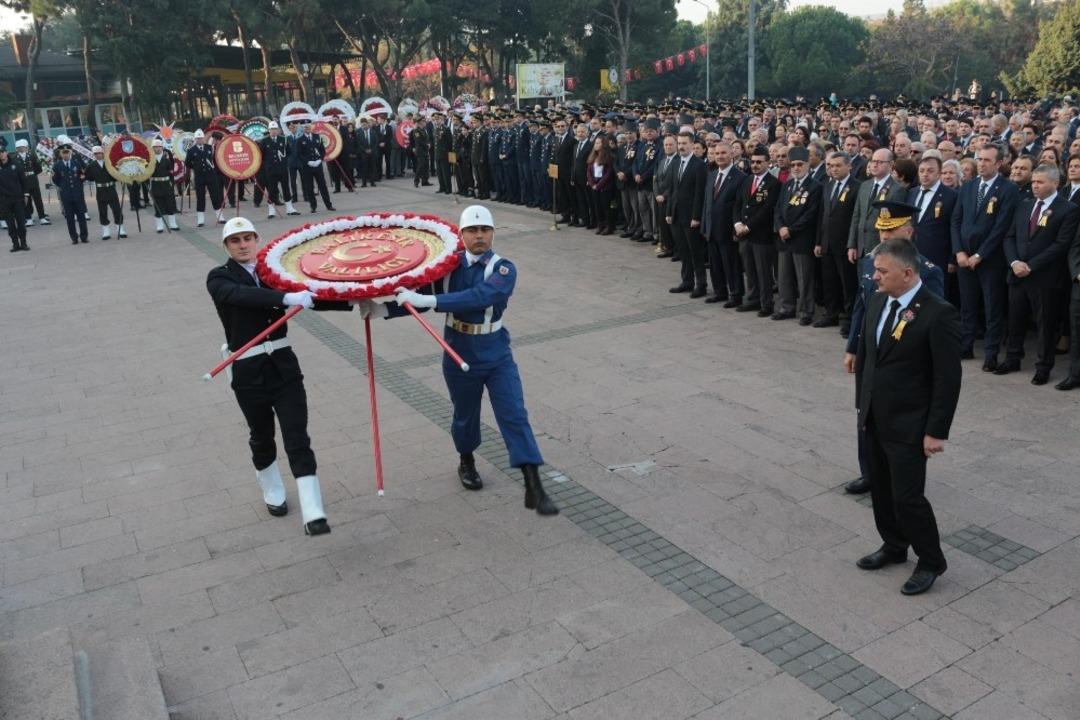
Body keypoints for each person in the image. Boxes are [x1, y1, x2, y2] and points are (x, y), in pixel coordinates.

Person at [391, 205, 558, 516]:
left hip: (495, 352)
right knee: (465, 416)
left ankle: (533, 483)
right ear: (461, 234)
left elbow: (481, 296)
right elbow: (419, 295)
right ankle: (466, 459)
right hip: (458, 351)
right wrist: (385, 309)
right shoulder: (447, 266)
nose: (479, 236)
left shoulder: (503, 268)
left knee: (514, 414)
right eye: (473, 230)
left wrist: (430, 300)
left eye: (485, 230)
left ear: (493, 233)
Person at [206, 217, 348, 535]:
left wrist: (354, 300)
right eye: (235, 241)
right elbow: (241, 296)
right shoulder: (218, 277)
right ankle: (272, 489)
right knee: (262, 436)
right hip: (247, 371)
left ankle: (313, 511)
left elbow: (311, 295)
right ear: (226, 246)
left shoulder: (274, 273)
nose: (243, 245)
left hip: (284, 366)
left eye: (248, 238)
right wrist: (286, 297)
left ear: (257, 239)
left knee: (297, 436)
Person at [851, 235, 961, 596]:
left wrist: (936, 431)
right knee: (881, 491)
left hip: (911, 425)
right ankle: (894, 546)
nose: (875, 277)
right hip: (875, 417)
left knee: (908, 498)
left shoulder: (937, 312)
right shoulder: (879, 302)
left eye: (882, 271)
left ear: (908, 273)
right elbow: (868, 359)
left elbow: (947, 379)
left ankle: (931, 560)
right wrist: (862, 408)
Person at [843, 201, 946, 495]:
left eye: (892, 230)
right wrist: (853, 348)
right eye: (881, 230)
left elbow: (933, 322)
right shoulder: (869, 262)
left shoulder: (927, 271)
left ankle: (899, 473)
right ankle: (870, 471)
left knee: (896, 415)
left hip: (902, 358)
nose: (885, 237)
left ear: (909, 232)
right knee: (866, 410)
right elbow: (861, 309)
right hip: (871, 352)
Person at [997, 163, 1080, 385]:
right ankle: (1013, 358)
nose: (1034, 186)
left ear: (1055, 183)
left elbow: (1061, 245)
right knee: (1014, 319)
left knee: (1045, 324)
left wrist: (1031, 266)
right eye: (1033, 181)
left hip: (1045, 278)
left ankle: (1044, 366)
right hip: (1017, 273)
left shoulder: (1068, 209)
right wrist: (1014, 262)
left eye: (1040, 182)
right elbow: (1010, 237)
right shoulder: (1024, 206)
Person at [951, 144, 1019, 371]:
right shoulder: (968, 187)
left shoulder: (1008, 189)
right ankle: (966, 344)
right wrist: (959, 251)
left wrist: (980, 254)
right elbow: (956, 220)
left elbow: (1001, 227)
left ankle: (991, 353)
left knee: (992, 308)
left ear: (999, 163)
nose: (981, 163)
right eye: (979, 159)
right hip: (964, 258)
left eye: (987, 160)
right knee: (967, 305)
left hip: (990, 260)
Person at [773, 145, 822, 324]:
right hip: (784, 238)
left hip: (802, 239)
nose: (795, 168)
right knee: (784, 276)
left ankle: (806, 311)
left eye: (799, 164)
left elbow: (811, 214)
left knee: (804, 278)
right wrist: (780, 227)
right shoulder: (787, 185)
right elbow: (777, 209)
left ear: (807, 165)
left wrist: (790, 229)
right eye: (793, 164)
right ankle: (786, 307)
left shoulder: (815, 187)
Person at [816, 150, 861, 333]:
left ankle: (849, 318)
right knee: (829, 281)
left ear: (849, 166)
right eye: (831, 166)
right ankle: (831, 313)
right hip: (827, 242)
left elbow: (856, 219)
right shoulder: (827, 185)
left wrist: (853, 244)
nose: (833, 169)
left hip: (845, 244)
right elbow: (822, 215)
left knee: (848, 284)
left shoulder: (857, 186)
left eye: (838, 166)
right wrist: (819, 241)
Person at [734, 145, 782, 315]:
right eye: (753, 162)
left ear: (768, 163)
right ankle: (753, 299)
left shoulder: (774, 184)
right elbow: (738, 204)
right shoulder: (746, 180)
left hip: (761, 235)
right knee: (749, 269)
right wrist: (737, 224)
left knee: (763, 272)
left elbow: (767, 210)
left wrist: (749, 226)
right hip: (744, 235)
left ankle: (766, 304)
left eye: (759, 162)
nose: (755, 165)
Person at [701, 140, 746, 306]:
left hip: (728, 230)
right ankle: (720, 291)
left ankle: (736, 294)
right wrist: (705, 226)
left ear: (731, 154)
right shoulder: (712, 175)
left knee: (731, 264)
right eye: (717, 153)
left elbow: (740, 206)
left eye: (723, 153)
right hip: (712, 228)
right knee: (715, 263)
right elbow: (707, 202)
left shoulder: (740, 177)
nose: (719, 156)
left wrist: (737, 230)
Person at [666, 131, 709, 296]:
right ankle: (687, 281)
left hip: (691, 217)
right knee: (683, 250)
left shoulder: (699, 165)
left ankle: (701, 284)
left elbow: (700, 194)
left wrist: (696, 217)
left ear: (692, 145)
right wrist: (669, 211)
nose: (681, 146)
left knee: (695, 251)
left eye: (685, 143)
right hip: (676, 214)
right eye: (680, 143)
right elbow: (672, 190)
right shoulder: (676, 163)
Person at [83, 145, 126, 239]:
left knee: (117, 210)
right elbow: (88, 177)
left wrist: (122, 174)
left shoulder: (110, 163)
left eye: (100, 153)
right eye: (96, 154)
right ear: (94, 155)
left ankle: (120, 228)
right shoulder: (91, 166)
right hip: (100, 190)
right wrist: (82, 176)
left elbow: (116, 175)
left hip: (111, 189)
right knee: (102, 211)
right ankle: (106, 230)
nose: (98, 155)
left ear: (103, 153)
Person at [51, 143, 89, 244]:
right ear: (60, 154)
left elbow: (82, 176)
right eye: (63, 153)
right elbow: (55, 179)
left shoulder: (76, 163)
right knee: (70, 218)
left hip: (78, 194)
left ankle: (84, 236)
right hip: (66, 195)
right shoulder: (57, 166)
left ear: (70, 152)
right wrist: (64, 186)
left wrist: (80, 182)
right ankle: (74, 238)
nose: (65, 155)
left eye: (67, 152)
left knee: (81, 216)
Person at [259, 121, 299, 217]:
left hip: (282, 169)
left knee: (286, 188)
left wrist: (284, 162)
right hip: (270, 170)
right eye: (272, 129)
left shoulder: (283, 140)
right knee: (272, 190)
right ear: (268, 130)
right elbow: (261, 156)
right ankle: (271, 211)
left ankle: (289, 209)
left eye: (275, 129)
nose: (273, 131)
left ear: (278, 130)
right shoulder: (264, 141)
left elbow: (288, 152)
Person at [187, 130, 225, 226]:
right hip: (199, 176)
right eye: (198, 138)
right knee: (200, 197)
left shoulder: (209, 148)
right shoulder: (191, 150)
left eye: (201, 138)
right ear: (195, 139)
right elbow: (187, 163)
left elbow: (213, 159)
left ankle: (220, 217)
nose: (199, 140)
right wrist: (196, 167)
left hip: (210, 175)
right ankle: (200, 220)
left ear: (203, 138)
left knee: (215, 196)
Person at [296, 123, 334, 214]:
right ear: (303, 129)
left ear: (311, 127)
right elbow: (299, 154)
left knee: (322, 186)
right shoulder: (300, 140)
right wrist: (307, 162)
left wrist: (320, 159)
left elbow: (322, 150)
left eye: (308, 126)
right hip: (307, 167)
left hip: (318, 165)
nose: (307, 128)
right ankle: (313, 206)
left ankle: (328, 205)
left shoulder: (317, 137)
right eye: (305, 127)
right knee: (309, 187)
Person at [14, 139, 49, 226]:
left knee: (38, 200)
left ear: (26, 147)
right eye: (19, 148)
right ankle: (29, 218)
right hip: (22, 183)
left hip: (33, 181)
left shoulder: (32, 156)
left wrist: (32, 174)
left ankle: (42, 217)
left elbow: (38, 168)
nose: (21, 149)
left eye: (22, 147)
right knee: (26, 201)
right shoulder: (14, 158)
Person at [585, 136, 616, 235]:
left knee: (606, 207)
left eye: (599, 143)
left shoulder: (609, 157)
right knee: (597, 207)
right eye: (596, 143)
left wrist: (598, 185)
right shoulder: (593, 156)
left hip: (605, 186)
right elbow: (589, 171)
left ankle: (609, 226)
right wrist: (592, 183)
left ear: (604, 144)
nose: (596, 145)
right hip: (594, 185)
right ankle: (600, 224)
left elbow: (608, 173)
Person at [0, 145, 28, 251]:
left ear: (6, 152)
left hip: (17, 198)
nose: (1, 154)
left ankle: (23, 243)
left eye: (3, 151)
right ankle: (15, 243)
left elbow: (24, 181)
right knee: (10, 224)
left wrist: (26, 194)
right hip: (4, 200)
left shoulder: (16, 164)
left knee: (21, 222)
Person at [148, 138, 179, 233]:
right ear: (153, 148)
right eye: (155, 147)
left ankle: (173, 224)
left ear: (162, 148)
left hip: (166, 184)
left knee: (170, 204)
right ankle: (159, 226)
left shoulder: (167, 159)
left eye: (159, 147)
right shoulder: (150, 160)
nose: (157, 149)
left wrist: (172, 183)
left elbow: (171, 172)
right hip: (156, 184)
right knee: (158, 205)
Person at [409, 116, 432, 188]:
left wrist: (428, 144)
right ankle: (416, 181)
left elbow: (427, 139)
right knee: (420, 166)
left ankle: (425, 181)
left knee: (426, 166)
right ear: (420, 123)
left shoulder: (424, 130)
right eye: (423, 121)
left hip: (425, 150)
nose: (425, 123)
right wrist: (427, 145)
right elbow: (418, 141)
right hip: (420, 151)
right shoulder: (416, 131)